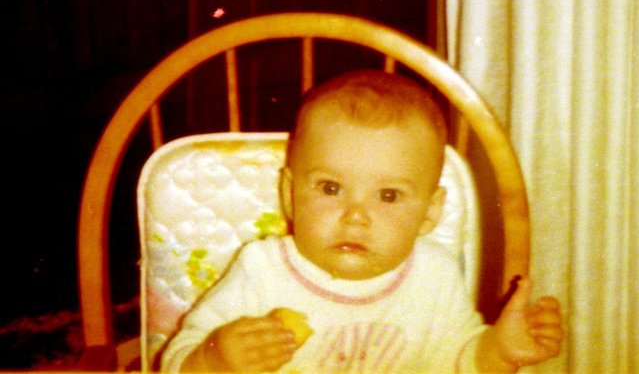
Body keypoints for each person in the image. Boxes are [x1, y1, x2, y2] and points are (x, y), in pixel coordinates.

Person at [161, 70, 563, 373]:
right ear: (288, 194)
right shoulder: (261, 270)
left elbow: (459, 361)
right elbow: (174, 361)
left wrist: (499, 351)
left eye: (388, 196)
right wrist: (214, 359)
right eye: (330, 188)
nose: (355, 216)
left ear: (429, 213)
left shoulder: (434, 277)